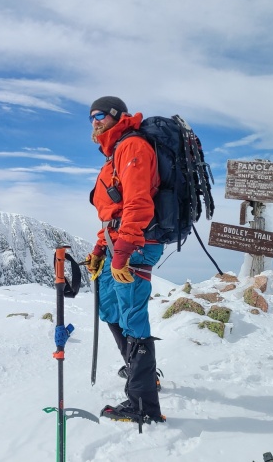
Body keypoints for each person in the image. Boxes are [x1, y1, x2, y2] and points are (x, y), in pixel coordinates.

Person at [85, 96, 166, 423]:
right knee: (109, 307)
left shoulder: (132, 147)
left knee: (133, 317)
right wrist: (99, 250)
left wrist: (121, 252)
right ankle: (137, 372)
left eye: (100, 115)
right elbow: (112, 214)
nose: (95, 122)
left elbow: (138, 205)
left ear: (117, 116)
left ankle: (143, 404)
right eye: (91, 117)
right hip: (117, 243)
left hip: (135, 246)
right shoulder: (115, 152)